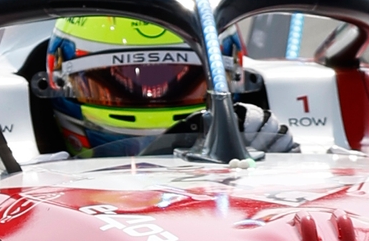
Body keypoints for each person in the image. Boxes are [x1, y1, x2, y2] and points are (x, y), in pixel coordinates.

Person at [41, 16, 295, 158]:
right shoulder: (27, 175)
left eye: (186, 81)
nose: (153, 96)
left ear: (234, 75)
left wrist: (282, 163)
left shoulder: (257, 133)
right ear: (60, 82)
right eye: (119, 83)